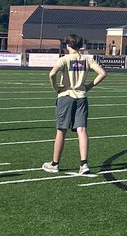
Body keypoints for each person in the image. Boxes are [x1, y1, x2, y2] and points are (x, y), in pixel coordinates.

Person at [41, 34, 107, 175]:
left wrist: (56, 88)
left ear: (68, 45)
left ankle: (55, 164)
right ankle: (84, 164)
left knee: (61, 130)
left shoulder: (64, 59)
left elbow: (51, 74)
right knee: (82, 130)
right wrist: (88, 86)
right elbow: (102, 73)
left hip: (66, 96)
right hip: (81, 97)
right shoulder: (87, 59)